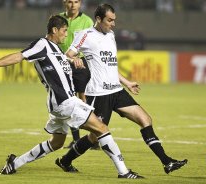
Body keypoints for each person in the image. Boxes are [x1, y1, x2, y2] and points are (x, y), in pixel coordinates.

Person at [0, 15, 143, 179]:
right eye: (64, 31)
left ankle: (15, 163)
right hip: (65, 102)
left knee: (57, 143)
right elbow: (19, 56)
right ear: (54, 30)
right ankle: (124, 172)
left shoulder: (57, 50)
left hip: (58, 103)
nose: (66, 35)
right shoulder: (42, 44)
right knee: (102, 128)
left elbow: (62, 69)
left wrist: (73, 61)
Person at [56, 4, 188, 175]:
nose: (113, 24)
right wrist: (75, 60)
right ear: (98, 19)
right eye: (109, 20)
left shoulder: (110, 35)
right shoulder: (85, 35)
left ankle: (166, 162)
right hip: (99, 94)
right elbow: (67, 55)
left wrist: (127, 82)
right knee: (94, 137)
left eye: (114, 20)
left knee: (145, 119)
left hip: (117, 91)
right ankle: (66, 161)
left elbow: (110, 66)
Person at [58, 0, 99, 149]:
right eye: (70, 1)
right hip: (62, 64)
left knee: (83, 99)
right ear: (64, 3)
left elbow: (91, 43)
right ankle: (76, 139)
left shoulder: (87, 21)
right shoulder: (58, 19)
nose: (73, 4)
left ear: (80, 3)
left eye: (76, 1)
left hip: (80, 64)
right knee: (69, 100)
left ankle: (93, 138)